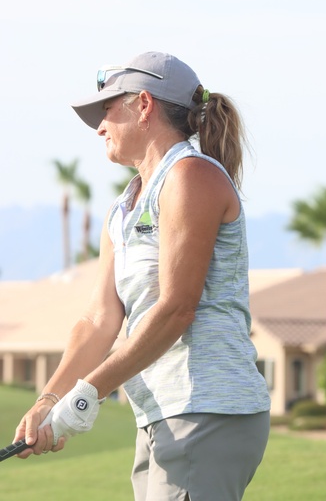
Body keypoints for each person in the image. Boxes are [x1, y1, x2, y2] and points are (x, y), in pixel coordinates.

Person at [14, 51, 271, 500]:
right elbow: (98, 320)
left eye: (108, 109)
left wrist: (88, 393)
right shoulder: (122, 209)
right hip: (159, 414)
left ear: (145, 105)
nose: (99, 127)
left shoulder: (191, 175)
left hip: (207, 408)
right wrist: (49, 400)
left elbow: (177, 309)